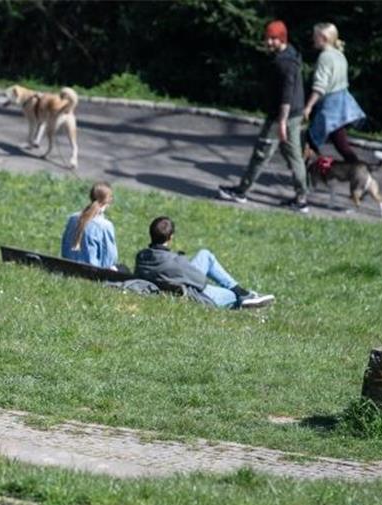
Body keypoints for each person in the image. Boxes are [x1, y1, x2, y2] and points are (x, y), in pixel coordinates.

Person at [219, 20, 310, 212]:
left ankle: (241, 191)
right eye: (267, 38)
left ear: (282, 39)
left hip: (281, 117)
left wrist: (282, 122)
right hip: (293, 114)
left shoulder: (284, 63)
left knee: (261, 153)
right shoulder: (291, 55)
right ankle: (301, 200)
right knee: (294, 156)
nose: (268, 42)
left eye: (273, 39)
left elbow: (286, 95)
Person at [133, 216, 274, 309]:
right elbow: (200, 282)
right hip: (192, 294)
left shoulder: (141, 256)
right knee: (231, 295)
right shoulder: (175, 262)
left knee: (204, 255)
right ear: (171, 237)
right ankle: (243, 296)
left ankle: (245, 294)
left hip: (170, 282)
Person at [302, 22, 365, 164]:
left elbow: (320, 86)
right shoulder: (340, 55)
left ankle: (304, 178)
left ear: (323, 37)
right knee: (341, 145)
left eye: (315, 36)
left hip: (330, 107)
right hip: (341, 104)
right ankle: (361, 175)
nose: (313, 39)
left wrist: (309, 106)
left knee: (310, 140)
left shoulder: (325, 57)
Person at [60, 182, 123, 271]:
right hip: (92, 272)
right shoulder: (105, 226)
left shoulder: (73, 218)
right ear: (108, 201)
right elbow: (109, 260)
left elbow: (65, 247)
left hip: (69, 267)